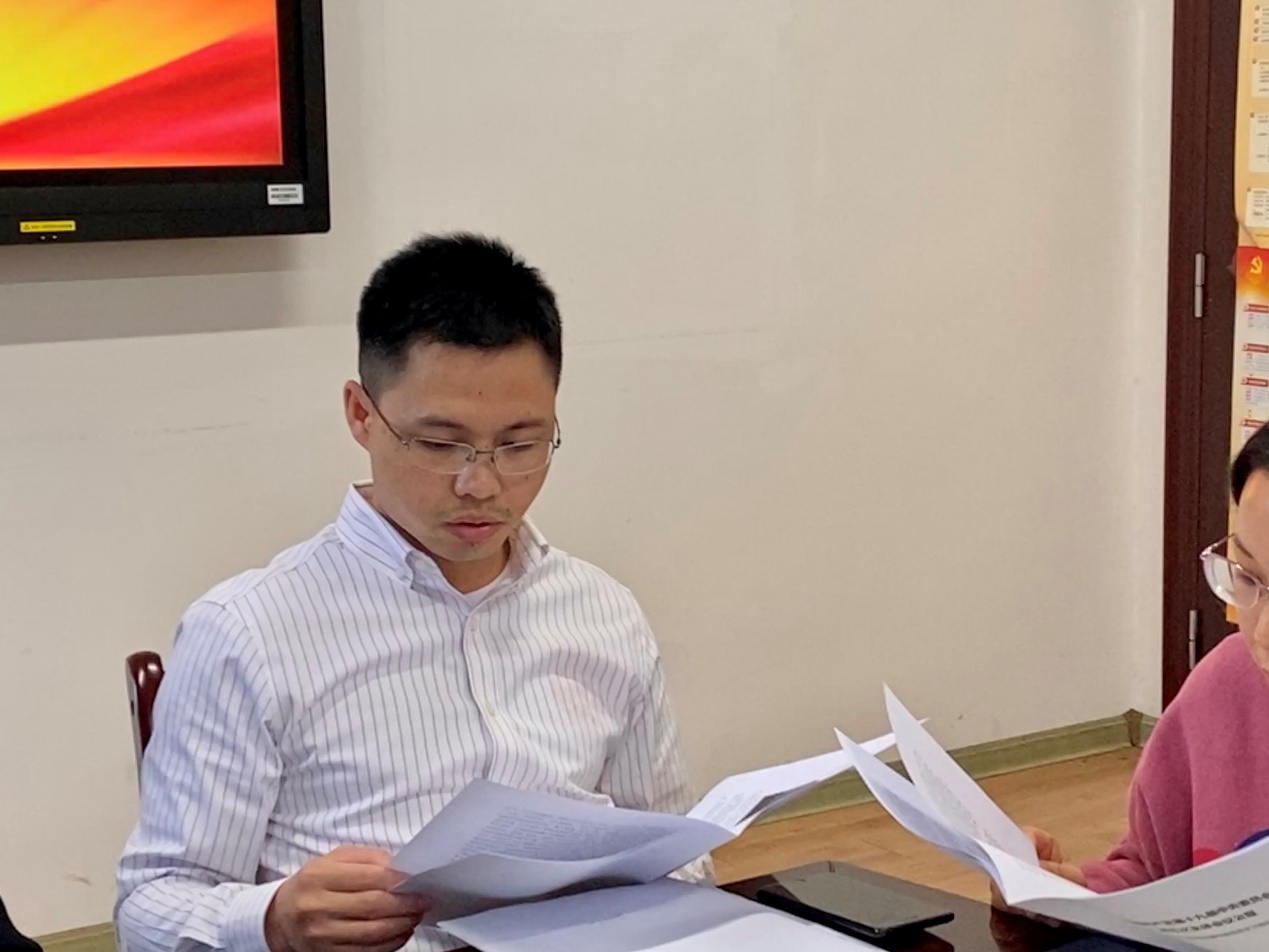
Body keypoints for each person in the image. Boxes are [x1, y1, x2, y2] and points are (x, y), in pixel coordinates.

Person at [116, 234, 702, 952]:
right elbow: (149, 908)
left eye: (521, 444)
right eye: (439, 444)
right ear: (362, 415)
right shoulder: (247, 630)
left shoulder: (602, 611)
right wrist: (273, 920)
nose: (480, 484)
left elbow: (673, 852)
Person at [1014, 421, 1269, 893]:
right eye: (1249, 577)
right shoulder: (1223, 688)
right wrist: (1069, 892)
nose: (1262, 631)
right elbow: (1153, 876)